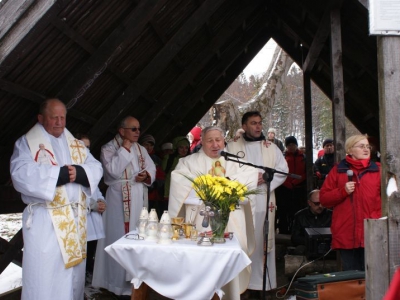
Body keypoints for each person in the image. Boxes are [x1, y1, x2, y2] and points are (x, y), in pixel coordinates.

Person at [10, 98, 103, 300]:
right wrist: (57, 176)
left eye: (63, 117)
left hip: (75, 219)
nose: (60, 122)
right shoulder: (27, 143)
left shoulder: (76, 145)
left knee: (73, 276)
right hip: (46, 221)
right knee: (45, 275)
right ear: (41, 118)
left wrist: (79, 172)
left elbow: (96, 167)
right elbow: (20, 173)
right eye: (54, 118)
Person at [168, 126, 258, 299]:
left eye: (218, 140)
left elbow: (250, 177)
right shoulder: (188, 162)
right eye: (210, 140)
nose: (215, 144)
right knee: (200, 265)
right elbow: (179, 183)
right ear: (202, 141)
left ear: (224, 140)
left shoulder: (235, 162)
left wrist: (224, 187)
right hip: (200, 222)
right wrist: (210, 189)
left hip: (231, 221)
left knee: (227, 265)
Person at [92, 116, 156, 296]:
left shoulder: (141, 149)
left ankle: (134, 282)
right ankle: (113, 282)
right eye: (133, 129)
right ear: (122, 131)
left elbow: (151, 168)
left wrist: (146, 176)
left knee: (138, 236)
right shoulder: (108, 148)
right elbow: (113, 171)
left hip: (138, 195)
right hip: (117, 198)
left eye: (138, 129)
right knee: (117, 236)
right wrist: (125, 149)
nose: (138, 132)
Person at [226, 111, 288, 294]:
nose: (258, 126)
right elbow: (226, 172)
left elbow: (283, 170)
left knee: (262, 242)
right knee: (242, 240)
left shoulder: (271, 147)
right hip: (240, 201)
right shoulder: (232, 146)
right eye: (253, 123)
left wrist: (267, 180)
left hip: (263, 201)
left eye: (260, 123)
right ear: (244, 126)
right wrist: (251, 180)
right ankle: (240, 286)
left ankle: (261, 285)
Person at [320, 134, 381, 271]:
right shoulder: (338, 170)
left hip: (372, 234)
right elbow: (324, 199)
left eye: (368, 147)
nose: (366, 149)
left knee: (374, 277)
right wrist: (342, 192)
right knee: (352, 280)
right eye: (361, 146)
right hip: (346, 234)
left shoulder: (378, 170)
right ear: (350, 150)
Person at [75, 133, 107, 277]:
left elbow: (96, 190)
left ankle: (89, 277)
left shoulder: (91, 167)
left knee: (92, 249)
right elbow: (73, 194)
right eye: (82, 146)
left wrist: (101, 201)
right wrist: (92, 205)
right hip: (83, 218)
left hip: (94, 218)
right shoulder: (73, 169)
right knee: (83, 252)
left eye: (88, 147)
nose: (85, 150)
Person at [275, 135, 307, 234]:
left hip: (299, 189)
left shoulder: (303, 157)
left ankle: (297, 232)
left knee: (297, 211)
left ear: (296, 145)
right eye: (289, 145)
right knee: (283, 211)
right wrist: (286, 183)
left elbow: (307, 171)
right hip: (284, 189)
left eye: (293, 144)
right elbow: (278, 171)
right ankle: (283, 232)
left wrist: (297, 181)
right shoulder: (282, 157)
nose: (291, 147)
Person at [291, 190, 332, 254]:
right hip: (307, 246)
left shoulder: (331, 215)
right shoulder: (300, 216)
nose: (320, 206)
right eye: (317, 203)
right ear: (309, 203)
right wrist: (312, 241)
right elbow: (295, 238)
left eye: (322, 202)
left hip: (327, 246)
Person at [139, 134, 166, 218]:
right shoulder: (137, 156)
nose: (148, 147)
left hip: (153, 196)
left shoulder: (156, 159)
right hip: (138, 193)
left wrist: (155, 184)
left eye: (151, 145)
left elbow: (162, 176)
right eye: (146, 144)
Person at [162, 136, 190, 202]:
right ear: (176, 148)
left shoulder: (190, 160)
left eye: (186, 148)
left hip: (184, 191)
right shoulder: (169, 158)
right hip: (169, 189)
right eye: (181, 147)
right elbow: (163, 170)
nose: (184, 150)